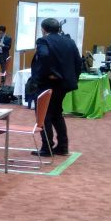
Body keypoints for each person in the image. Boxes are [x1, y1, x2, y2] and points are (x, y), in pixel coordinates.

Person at [30, 18, 84, 156]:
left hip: (47, 83)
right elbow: (79, 62)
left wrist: (48, 74)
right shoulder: (70, 41)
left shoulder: (43, 41)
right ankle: (62, 146)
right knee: (57, 114)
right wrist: (70, 78)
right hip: (63, 84)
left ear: (43, 29)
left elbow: (44, 56)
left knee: (44, 115)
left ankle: (47, 147)